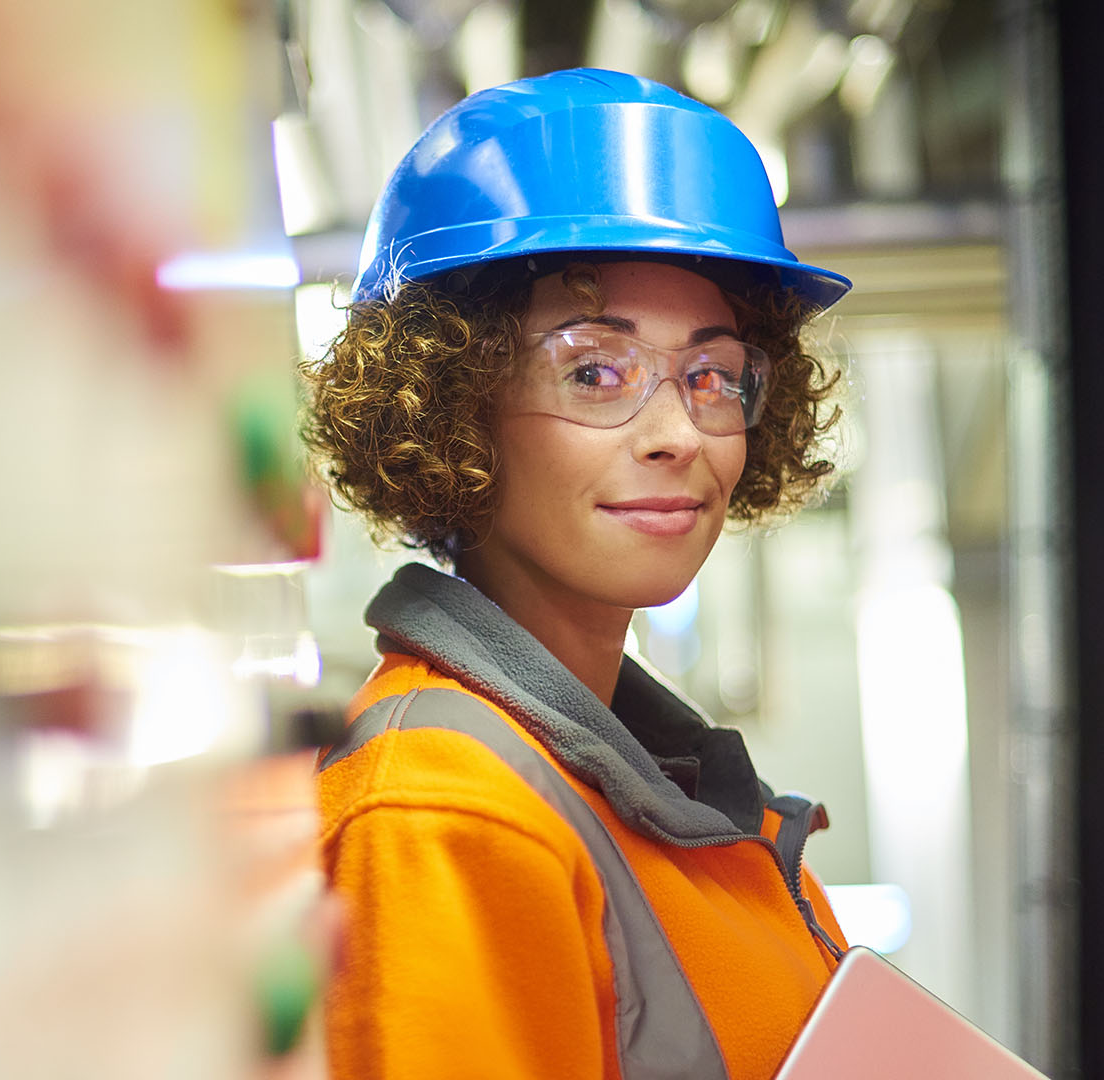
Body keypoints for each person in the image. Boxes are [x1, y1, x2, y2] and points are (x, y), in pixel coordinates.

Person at [300, 69, 854, 1080]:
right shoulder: (447, 814)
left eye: (714, 374)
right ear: (449, 405)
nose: (679, 433)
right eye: (595, 370)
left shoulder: (666, 798)